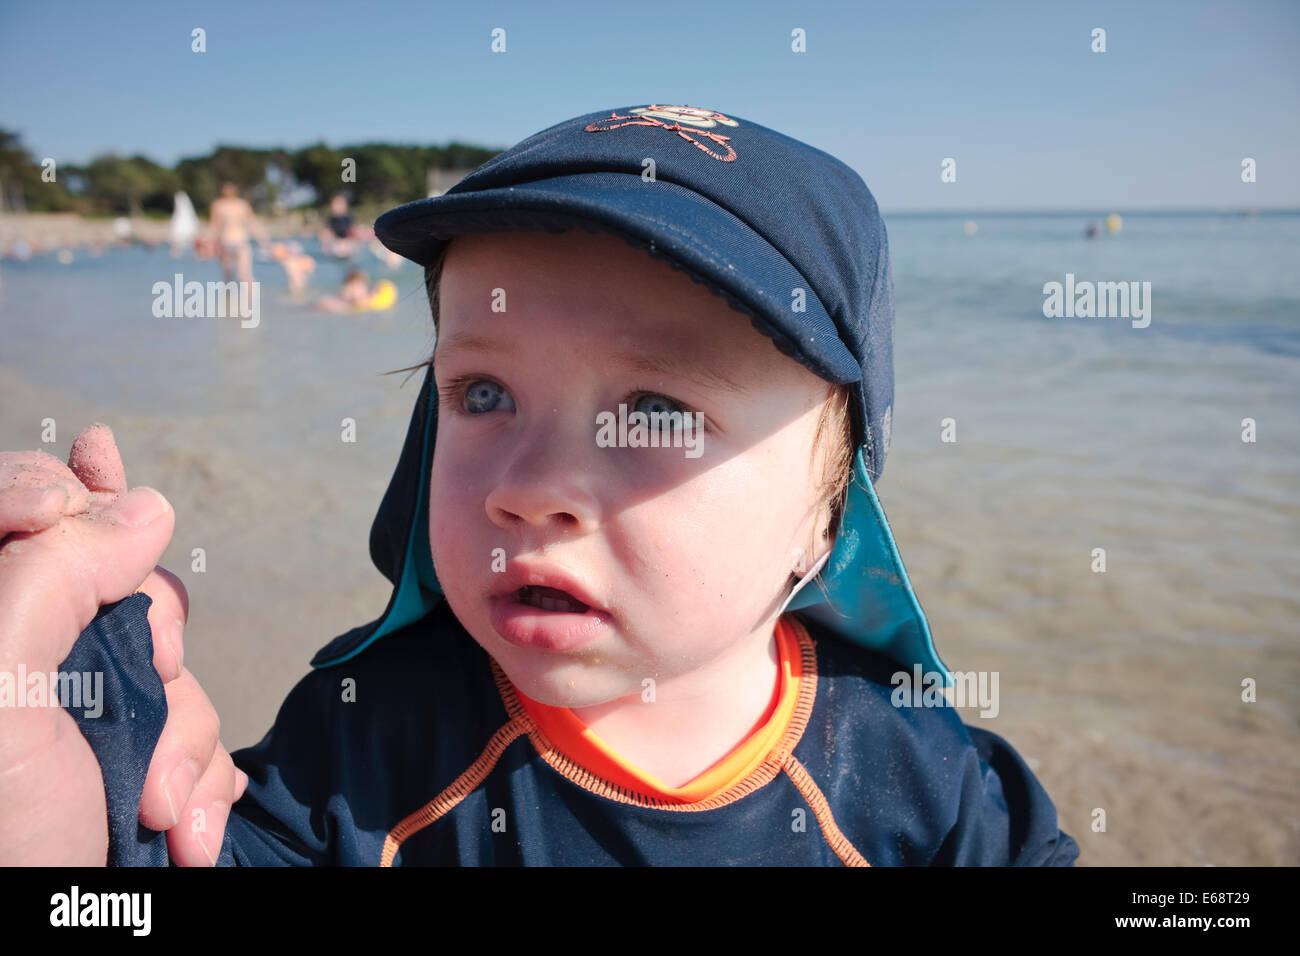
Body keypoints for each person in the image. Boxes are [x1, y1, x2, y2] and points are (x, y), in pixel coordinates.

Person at [0, 104, 1079, 866]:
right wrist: (70, 798)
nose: (530, 489)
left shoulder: (922, 780)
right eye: (480, 394)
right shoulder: (369, 741)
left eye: (656, 409)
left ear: (828, 509)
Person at [208, 181, 268, 284]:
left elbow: (252, 223)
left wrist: (263, 240)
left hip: (238, 242)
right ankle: (232, 299)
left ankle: (249, 298)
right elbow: (214, 227)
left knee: (241, 275)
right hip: (228, 243)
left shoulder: (239, 205)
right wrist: (209, 244)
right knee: (231, 276)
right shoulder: (220, 205)